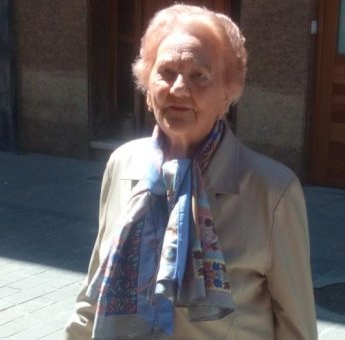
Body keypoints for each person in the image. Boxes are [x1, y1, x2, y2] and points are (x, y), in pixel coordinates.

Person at [64, 4, 316, 339]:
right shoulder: (123, 165)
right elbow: (96, 289)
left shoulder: (272, 191)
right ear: (146, 83)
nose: (179, 88)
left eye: (199, 76)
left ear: (228, 91)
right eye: (166, 72)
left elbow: (297, 329)